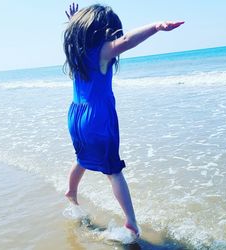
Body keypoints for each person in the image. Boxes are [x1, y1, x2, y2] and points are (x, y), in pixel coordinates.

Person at [63, 2, 184, 238]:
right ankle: (130, 222)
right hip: (97, 118)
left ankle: (71, 191)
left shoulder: (78, 52)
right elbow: (127, 40)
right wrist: (157, 27)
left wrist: (73, 22)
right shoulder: (103, 52)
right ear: (103, 32)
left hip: (75, 117)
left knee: (81, 158)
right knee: (113, 171)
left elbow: (81, 35)